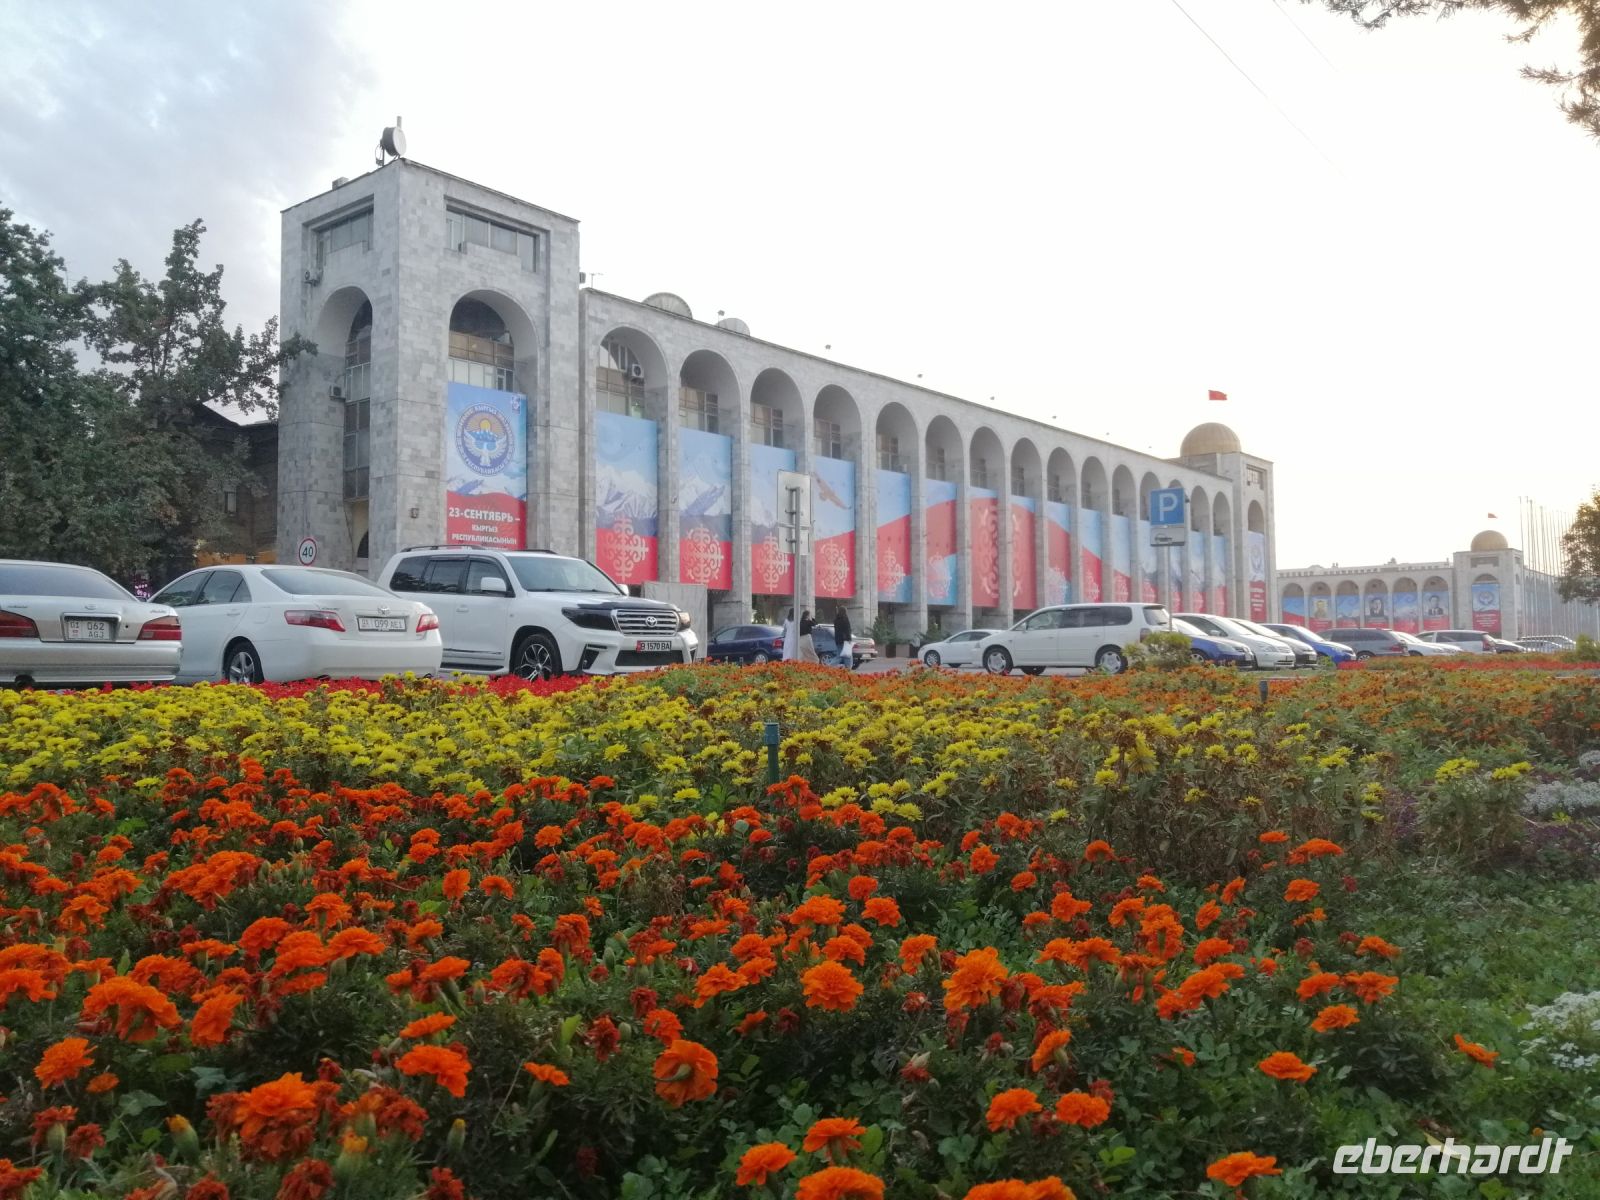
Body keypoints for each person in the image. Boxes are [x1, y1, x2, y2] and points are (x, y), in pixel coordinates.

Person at [834, 605, 853, 670]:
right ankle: (848, 668)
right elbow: (847, 629)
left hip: (838, 640)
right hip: (845, 640)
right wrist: (849, 639)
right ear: (844, 611)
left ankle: (830, 666)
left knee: (840, 655)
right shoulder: (845, 619)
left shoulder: (836, 619)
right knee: (848, 655)